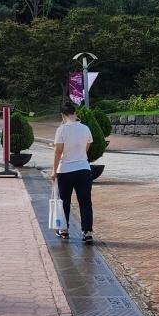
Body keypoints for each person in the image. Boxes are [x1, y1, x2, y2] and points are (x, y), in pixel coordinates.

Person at [51, 102, 95, 243]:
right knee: (85, 202)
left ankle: (64, 230)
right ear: (75, 113)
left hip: (66, 170)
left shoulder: (62, 130)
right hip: (84, 169)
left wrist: (54, 170)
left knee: (64, 201)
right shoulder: (85, 128)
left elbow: (58, 151)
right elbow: (86, 147)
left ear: (62, 115)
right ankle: (87, 232)